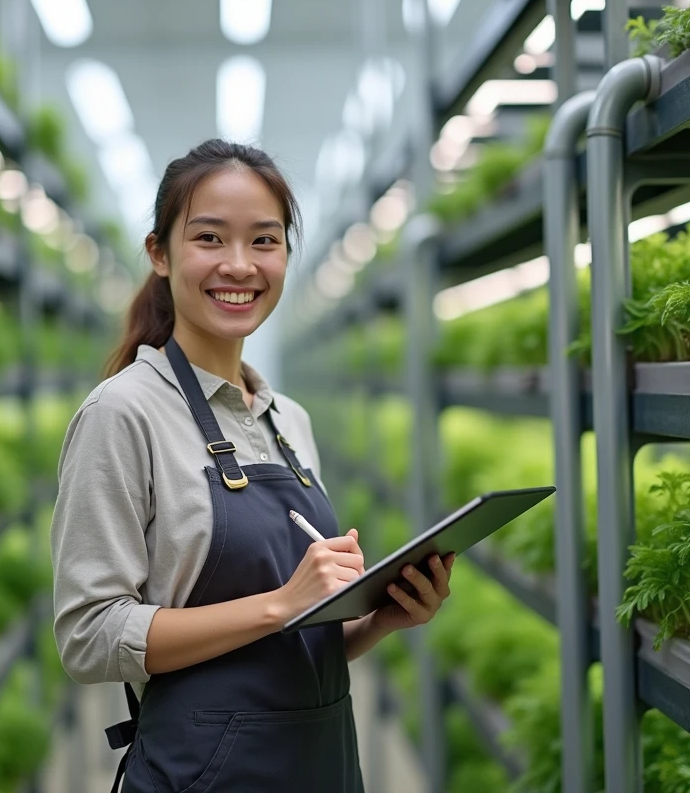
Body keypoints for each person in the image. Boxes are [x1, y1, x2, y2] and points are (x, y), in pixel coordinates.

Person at [50, 139, 455, 793]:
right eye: (210, 238)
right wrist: (280, 603)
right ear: (160, 253)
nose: (239, 265)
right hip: (199, 776)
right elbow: (89, 638)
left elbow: (282, 652)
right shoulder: (123, 414)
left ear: (287, 256)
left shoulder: (287, 421)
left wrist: (377, 618)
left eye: (264, 241)